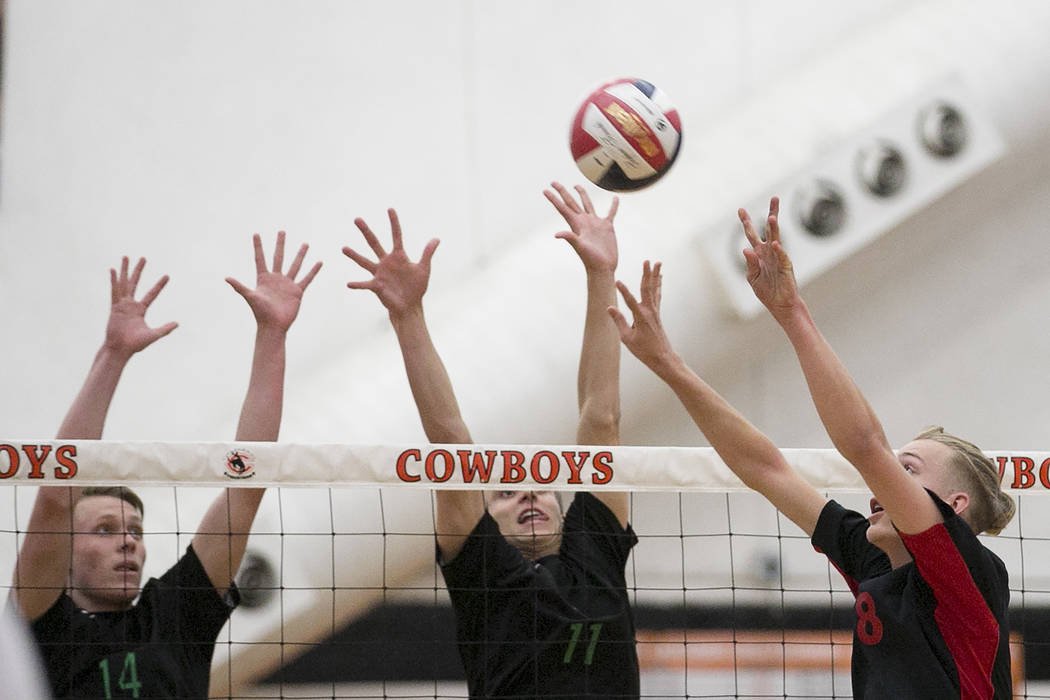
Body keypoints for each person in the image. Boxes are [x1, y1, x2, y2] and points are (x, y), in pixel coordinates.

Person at [609, 198, 1015, 699]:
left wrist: (791, 312)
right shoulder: (872, 560)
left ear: (955, 508)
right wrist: (668, 363)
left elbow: (865, 446)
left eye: (905, 470)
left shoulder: (968, 573)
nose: (880, 485)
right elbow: (765, 468)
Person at [343, 183, 639, 698]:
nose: (528, 493)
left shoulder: (594, 554)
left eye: (541, 486)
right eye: (505, 492)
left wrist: (601, 273)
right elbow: (451, 442)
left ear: (564, 507)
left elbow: (601, 417)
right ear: (486, 519)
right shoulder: (484, 574)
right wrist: (408, 317)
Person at [10, 235, 321, 699]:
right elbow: (57, 492)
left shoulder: (176, 616)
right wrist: (112, 356)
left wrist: (272, 334)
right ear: (66, 553)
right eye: (105, 530)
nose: (128, 543)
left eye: (134, 530)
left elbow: (249, 482)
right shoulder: (39, 622)